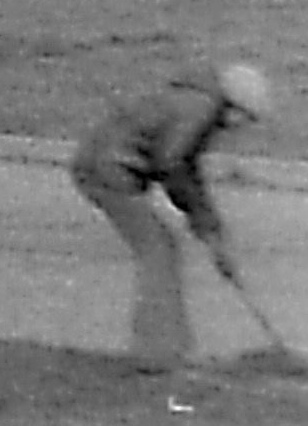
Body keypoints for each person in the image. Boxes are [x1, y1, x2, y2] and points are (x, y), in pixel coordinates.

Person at [71, 61, 277, 379]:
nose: (237, 127)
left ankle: (167, 350)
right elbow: (174, 165)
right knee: (158, 251)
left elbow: (183, 166)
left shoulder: (195, 102)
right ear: (234, 104)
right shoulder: (200, 108)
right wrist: (203, 221)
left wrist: (207, 224)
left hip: (104, 167)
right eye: (244, 118)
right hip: (106, 172)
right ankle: (157, 355)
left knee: (161, 249)